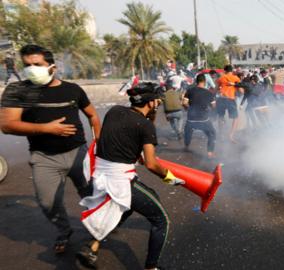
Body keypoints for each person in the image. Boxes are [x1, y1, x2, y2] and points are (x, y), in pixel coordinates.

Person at [0, 44, 101, 254]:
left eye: (37, 65)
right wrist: (47, 128)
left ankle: (99, 229)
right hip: (44, 157)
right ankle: (64, 230)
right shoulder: (18, 91)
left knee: (91, 193)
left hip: (78, 153)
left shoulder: (72, 89)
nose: (30, 69)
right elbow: (7, 125)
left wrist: (98, 142)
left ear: (52, 67)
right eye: (27, 65)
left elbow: (92, 115)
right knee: (47, 202)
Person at [77, 82, 184, 270]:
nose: (158, 103)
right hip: (120, 180)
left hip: (101, 174)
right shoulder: (145, 126)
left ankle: (92, 246)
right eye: (156, 100)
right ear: (150, 103)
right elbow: (151, 164)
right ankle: (152, 267)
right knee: (161, 220)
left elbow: (121, 137)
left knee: (128, 207)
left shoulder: (114, 111)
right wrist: (169, 177)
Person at [183, 74, 216, 158]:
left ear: (196, 81)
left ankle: (186, 146)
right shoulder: (209, 93)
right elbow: (213, 106)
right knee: (212, 133)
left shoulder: (189, 91)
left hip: (191, 119)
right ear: (205, 82)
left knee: (188, 132)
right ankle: (210, 152)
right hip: (203, 120)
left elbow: (184, 103)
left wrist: (189, 109)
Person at [216, 65, 241, 142]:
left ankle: (221, 133)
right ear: (232, 70)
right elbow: (241, 90)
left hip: (221, 99)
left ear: (225, 71)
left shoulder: (221, 78)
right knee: (236, 118)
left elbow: (216, 89)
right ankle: (231, 135)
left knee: (220, 116)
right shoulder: (236, 78)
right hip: (230, 99)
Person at [161, 76, 184, 140]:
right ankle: (179, 130)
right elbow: (181, 97)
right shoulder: (177, 92)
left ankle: (177, 131)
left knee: (172, 123)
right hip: (178, 111)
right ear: (172, 87)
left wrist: (166, 115)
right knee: (181, 118)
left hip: (169, 113)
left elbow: (164, 105)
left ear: (166, 88)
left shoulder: (164, 94)